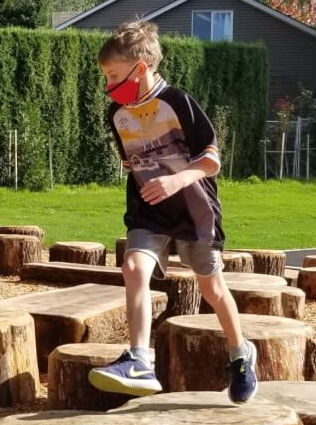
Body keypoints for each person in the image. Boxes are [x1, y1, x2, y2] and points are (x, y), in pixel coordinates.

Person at [87, 20, 257, 403]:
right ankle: (140, 360)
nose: (109, 86)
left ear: (141, 68)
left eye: (114, 76)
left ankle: (241, 353)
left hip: (193, 209)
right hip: (149, 212)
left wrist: (175, 180)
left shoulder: (178, 102)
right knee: (133, 269)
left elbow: (212, 160)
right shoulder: (117, 114)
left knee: (212, 288)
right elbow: (134, 162)